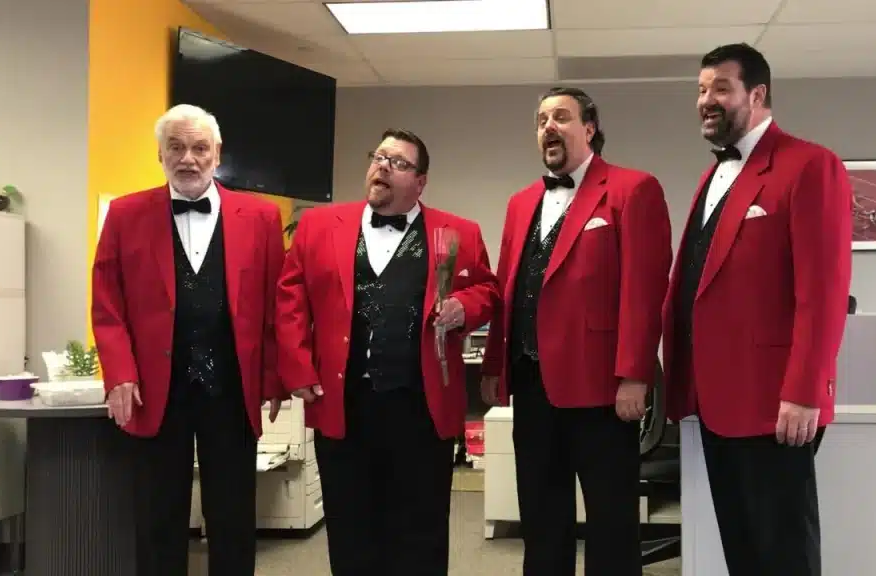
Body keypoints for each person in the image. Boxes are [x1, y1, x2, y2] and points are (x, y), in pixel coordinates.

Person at [661, 43, 852, 576]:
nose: (706, 100)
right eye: (701, 90)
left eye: (721, 88)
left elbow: (824, 290)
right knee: (742, 549)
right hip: (716, 397)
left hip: (775, 401)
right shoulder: (714, 176)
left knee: (782, 553)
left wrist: (805, 390)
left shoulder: (809, 165)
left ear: (757, 94)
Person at [275, 129, 499, 576]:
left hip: (422, 408)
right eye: (379, 157)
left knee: (421, 533)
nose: (382, 166)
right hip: (344, 407)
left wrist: (464, 307)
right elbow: (289, 299)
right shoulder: (319, 226)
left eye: (397, 163)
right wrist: (297, 367)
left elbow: (488, 291)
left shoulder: (459, 232)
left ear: (420, 182)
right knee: (351, 531)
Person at [480, 87, 673, 576]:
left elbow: (645, 289)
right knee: (541, 517)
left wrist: (635, 375)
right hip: (531, 384)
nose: (548, 126)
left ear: (589, 128)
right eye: (541, 119)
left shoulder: (633, 189)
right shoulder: (520, 202)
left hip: (602, 389)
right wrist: (494, 365)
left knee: (611, 523)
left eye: (561, 117)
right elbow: (508, 286)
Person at [91, 104, 287, 576]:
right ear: (159, 154)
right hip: (156, 390)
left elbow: (275, 306)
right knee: (158, 518)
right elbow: (107, 303)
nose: (188, 158)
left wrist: (273, 377)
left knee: (233, 518)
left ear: (217, 154)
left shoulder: (261, 217)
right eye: (176, 147)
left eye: (199, 148)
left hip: (232, 391)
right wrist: (119, 372)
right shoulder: (125, 214)